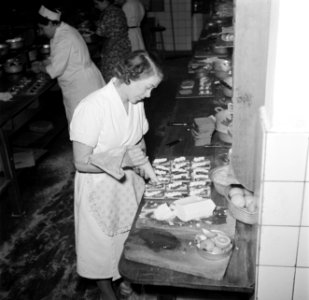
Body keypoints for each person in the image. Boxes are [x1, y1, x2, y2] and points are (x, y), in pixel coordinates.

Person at [70, 50, 163, 299]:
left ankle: (127, 284)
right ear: (129, 78)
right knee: (102, 248)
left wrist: (144, 165)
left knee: (129, 239)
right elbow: (80, 162)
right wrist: (125, 159)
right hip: (98, 186)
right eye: (147, 88)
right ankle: (108, 295)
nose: (149, 95)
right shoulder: (92, 107)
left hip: (127, 182)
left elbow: (139, 140)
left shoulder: (136, 103)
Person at [32, 3, 105, 124]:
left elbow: (55, 70)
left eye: (42, 28)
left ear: (50, 23)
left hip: (81, 86)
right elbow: (61, 56)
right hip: (83, 80)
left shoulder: (63, 38)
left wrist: (40, 67)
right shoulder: (64, 30)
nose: (42, 32)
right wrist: (46, 61)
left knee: (85, 124)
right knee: (89, 122)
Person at [93, 0, 131, 82]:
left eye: (96, 3)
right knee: (122, 74)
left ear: (104, 1)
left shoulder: (109, 13)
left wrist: (105, 52)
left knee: (112, 78)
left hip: (113, 50)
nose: (96, 6)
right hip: (123, 47)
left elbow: (102, 33)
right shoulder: (118, 10)